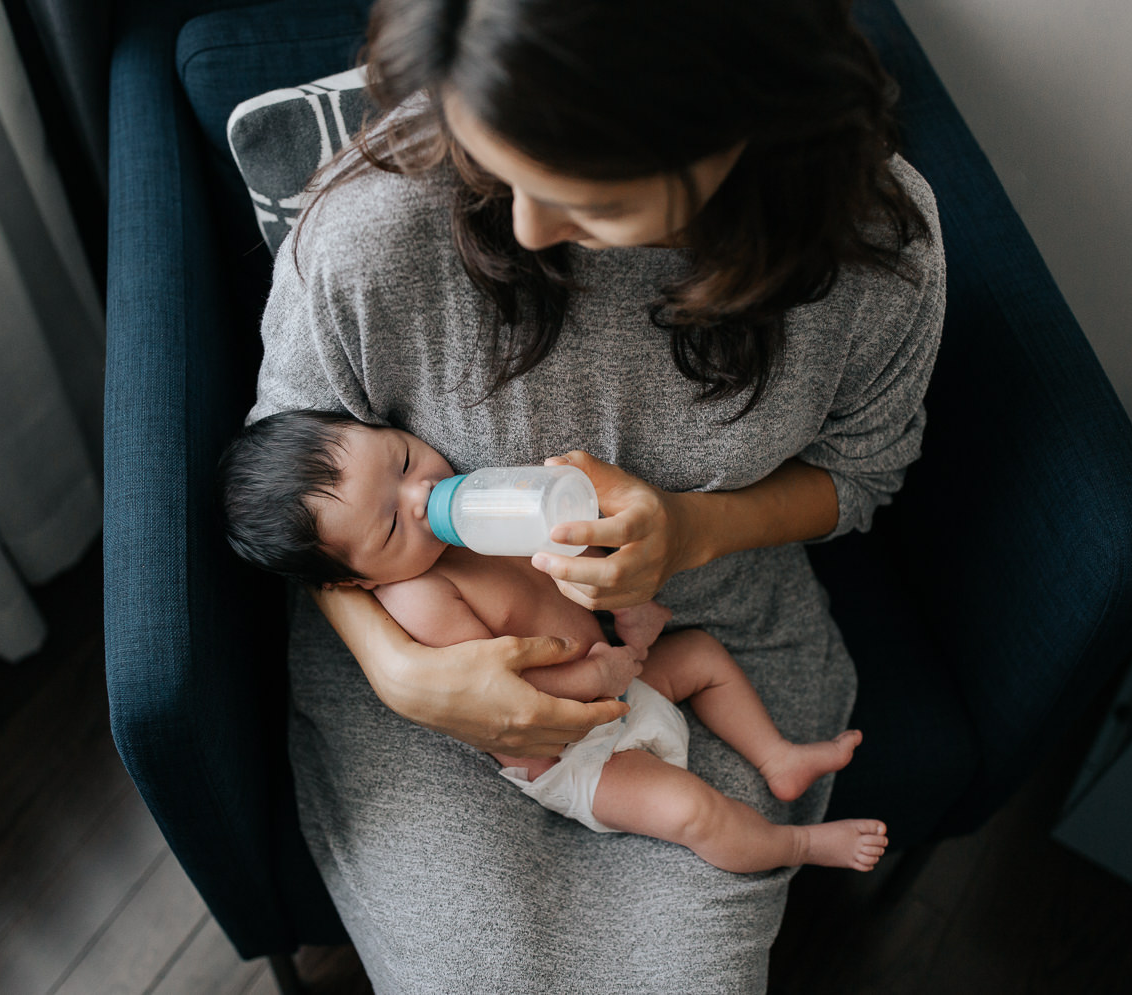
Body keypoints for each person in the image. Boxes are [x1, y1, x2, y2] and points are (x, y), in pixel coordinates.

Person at [247, 0, 945, 989]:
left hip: (705, 625)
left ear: (738, 121)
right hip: (421, 656)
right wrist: (399, 667)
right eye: (497, 167)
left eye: (589, 198)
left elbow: (864, 473)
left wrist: (692, 529)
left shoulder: (870, 255)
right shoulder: (376, 224)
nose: (526, 226)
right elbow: (293, 497)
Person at [220, 409, 891, 873]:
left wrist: (633, 611)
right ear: (356, 582)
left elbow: (564, 584)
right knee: (693, 811)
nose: (422, 493)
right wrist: (601, 676)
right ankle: (799, 842)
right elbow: (512, 702)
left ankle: (778, 758)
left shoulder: (476, 515)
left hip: (616, 677)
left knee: (704, 659)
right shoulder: (420, 597)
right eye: (392, 525)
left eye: (400, 457)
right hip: (576, 752)